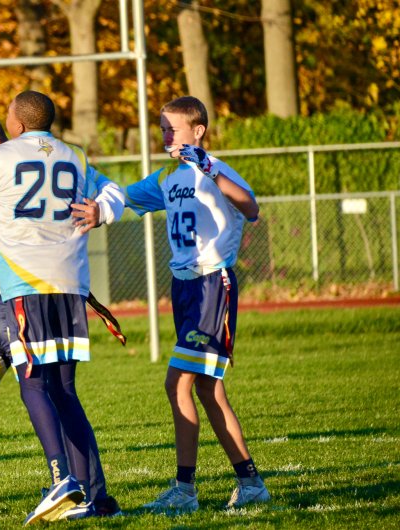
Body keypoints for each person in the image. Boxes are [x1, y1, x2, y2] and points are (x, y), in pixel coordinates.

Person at [0, 110, 124, 521]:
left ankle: (92, 493)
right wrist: (15, 220)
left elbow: (109, 191)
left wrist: (96, 210)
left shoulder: (27, 161)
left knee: (53, 391)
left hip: (30, 295)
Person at [123, 95, 269, 513]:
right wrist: (89, 190)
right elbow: (124, 197)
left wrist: (208, 168)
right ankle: (250, 481)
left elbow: (251, 207)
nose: (165, 135)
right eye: (162, 129)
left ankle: (184, 490)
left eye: (173, 128)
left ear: (198, 131)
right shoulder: (169, 174)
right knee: (207, 388)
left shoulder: (214, 168)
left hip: (211, 285)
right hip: (184, 287)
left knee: (178, 383)